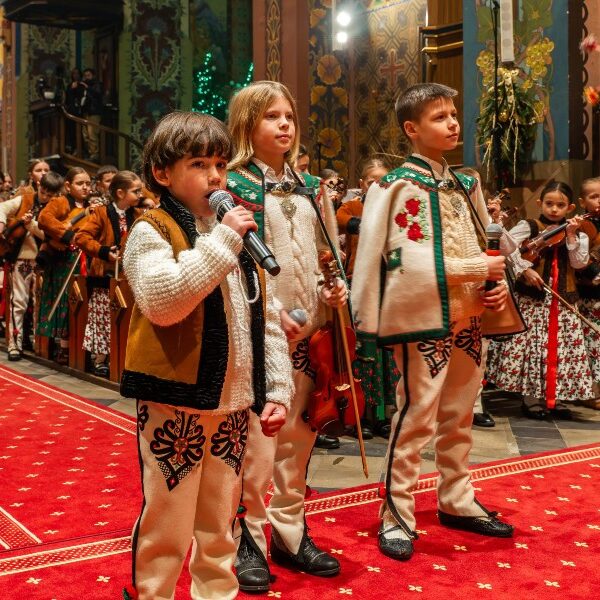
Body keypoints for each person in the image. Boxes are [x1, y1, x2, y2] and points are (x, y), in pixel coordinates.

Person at [119, 111, 292, 600]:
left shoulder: (232, 233)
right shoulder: (151, 230)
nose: (215, 176)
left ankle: (216, 593)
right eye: (199, 163)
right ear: (163, 173)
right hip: (177, 403)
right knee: (168, 522)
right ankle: (153, 593)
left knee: (220, 523)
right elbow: (163, 301)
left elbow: (266, 316)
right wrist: (222, 242)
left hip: (233, 403)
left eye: (220, 163)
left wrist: (276, 387)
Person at [352, 83, 514, 563]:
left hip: (469, 315)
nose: (452, 123)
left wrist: (496, 285)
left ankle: (456, 497)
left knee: (460, 414)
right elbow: (401, 260)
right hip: (426, 317)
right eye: (439, 116)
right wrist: (475, 270)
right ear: (411, 129)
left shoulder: (464, 184)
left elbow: (487, 246)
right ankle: (397, 511)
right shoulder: (399, 185)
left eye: (453, 114)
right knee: (416, 414)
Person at [227, 81, 347, 593]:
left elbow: (329, 251)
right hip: (263, 335)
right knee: (258, 445)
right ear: (246, 126)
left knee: (300, 440)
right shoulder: (233, 185)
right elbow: (234, 265)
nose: (284, 125)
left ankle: (290, 532)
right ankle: (247, 538)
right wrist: (274, 316)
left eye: (289, 116)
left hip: (311, 332)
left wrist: (335, 290)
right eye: (271, 116)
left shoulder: (311, 185)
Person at [488, 181, 595, 419]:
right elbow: (509, 249)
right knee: (534, 349)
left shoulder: (577, 232)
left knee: (560, 349)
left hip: (564, 297)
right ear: (540, 204)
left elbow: (578, 263)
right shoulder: (529, 226)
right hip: (533, 299)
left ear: (571, 207)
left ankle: (554, 398)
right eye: (549, 204)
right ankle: (532, 400)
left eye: (560, 205)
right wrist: (526, 269)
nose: (554, 210)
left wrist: (570, 236)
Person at [74, 171, 143, 377]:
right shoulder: (102, 213)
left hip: (128, 277)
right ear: (120, 193)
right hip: (104, 275)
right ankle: (100, 359)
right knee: (102, 318)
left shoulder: (139, 215)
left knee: (127, 319)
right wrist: (104, 251)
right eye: (136, 191)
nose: (140, 194)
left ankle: (124, 358)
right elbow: (82, 237)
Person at [0, 172, 62, 360]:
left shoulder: (58, 207)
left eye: (50, 195)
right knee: (18, 302)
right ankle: (14, 343)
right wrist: (3, 223)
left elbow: (53, 236)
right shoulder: (24, 200)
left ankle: (39, 344)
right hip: (21, 259)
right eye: (43, 192)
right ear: (38, 185)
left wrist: (32, 225)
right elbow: (2, 207)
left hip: (45, 261)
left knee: (40, 304)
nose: (45, 197)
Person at [37, 167, 91, 364]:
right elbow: (44, 219)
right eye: (80, 183)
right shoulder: (60, 202)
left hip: (86, 259)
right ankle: (63, 347)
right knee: (64, 302)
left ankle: (80, 349)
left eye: (87, 183)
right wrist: (68, 235)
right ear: (68, 186)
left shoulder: (92, 205)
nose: (85, 187)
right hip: (64, 260)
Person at [576, 176, 600, 409]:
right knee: (592, 344)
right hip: (591, 294)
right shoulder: (583, 224)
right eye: (594, 196)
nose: (599, 200)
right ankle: (592, 392)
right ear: (583, 202)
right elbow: (581, 260)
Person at [80, 68, 103, 161]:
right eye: (85, 75)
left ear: (93, 76)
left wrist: (87, 88)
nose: (87, 77)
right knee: (85, 135)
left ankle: (95, 155)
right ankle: (89, 153)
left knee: (92, 134)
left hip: (94, 112)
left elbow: (98, 94)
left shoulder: (97, 84)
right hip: (85, 112)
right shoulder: (83, 86)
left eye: (88, 75)